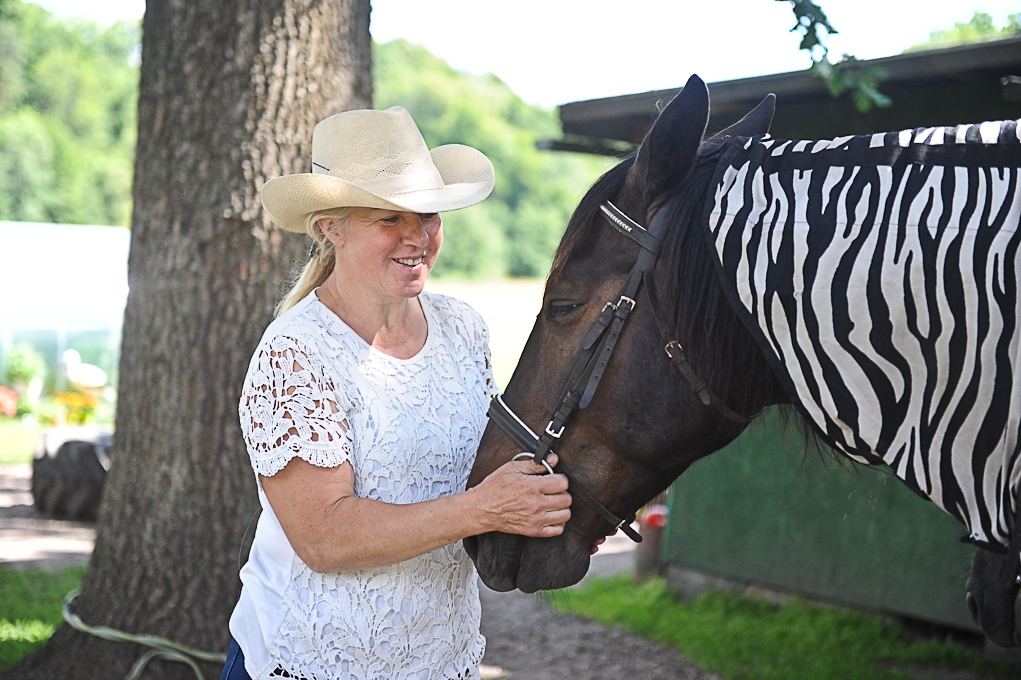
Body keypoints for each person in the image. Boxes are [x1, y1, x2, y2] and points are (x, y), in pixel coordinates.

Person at [221, 107, 574, 680]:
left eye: (429, 214)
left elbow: (486, 465)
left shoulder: (463, 329)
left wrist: (579, 483)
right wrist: (482, 509)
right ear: (330, 227)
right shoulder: (294, 353)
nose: (418, 237)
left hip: (440, 657)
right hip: (313, 660)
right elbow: (324, 538)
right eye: (390, 218)